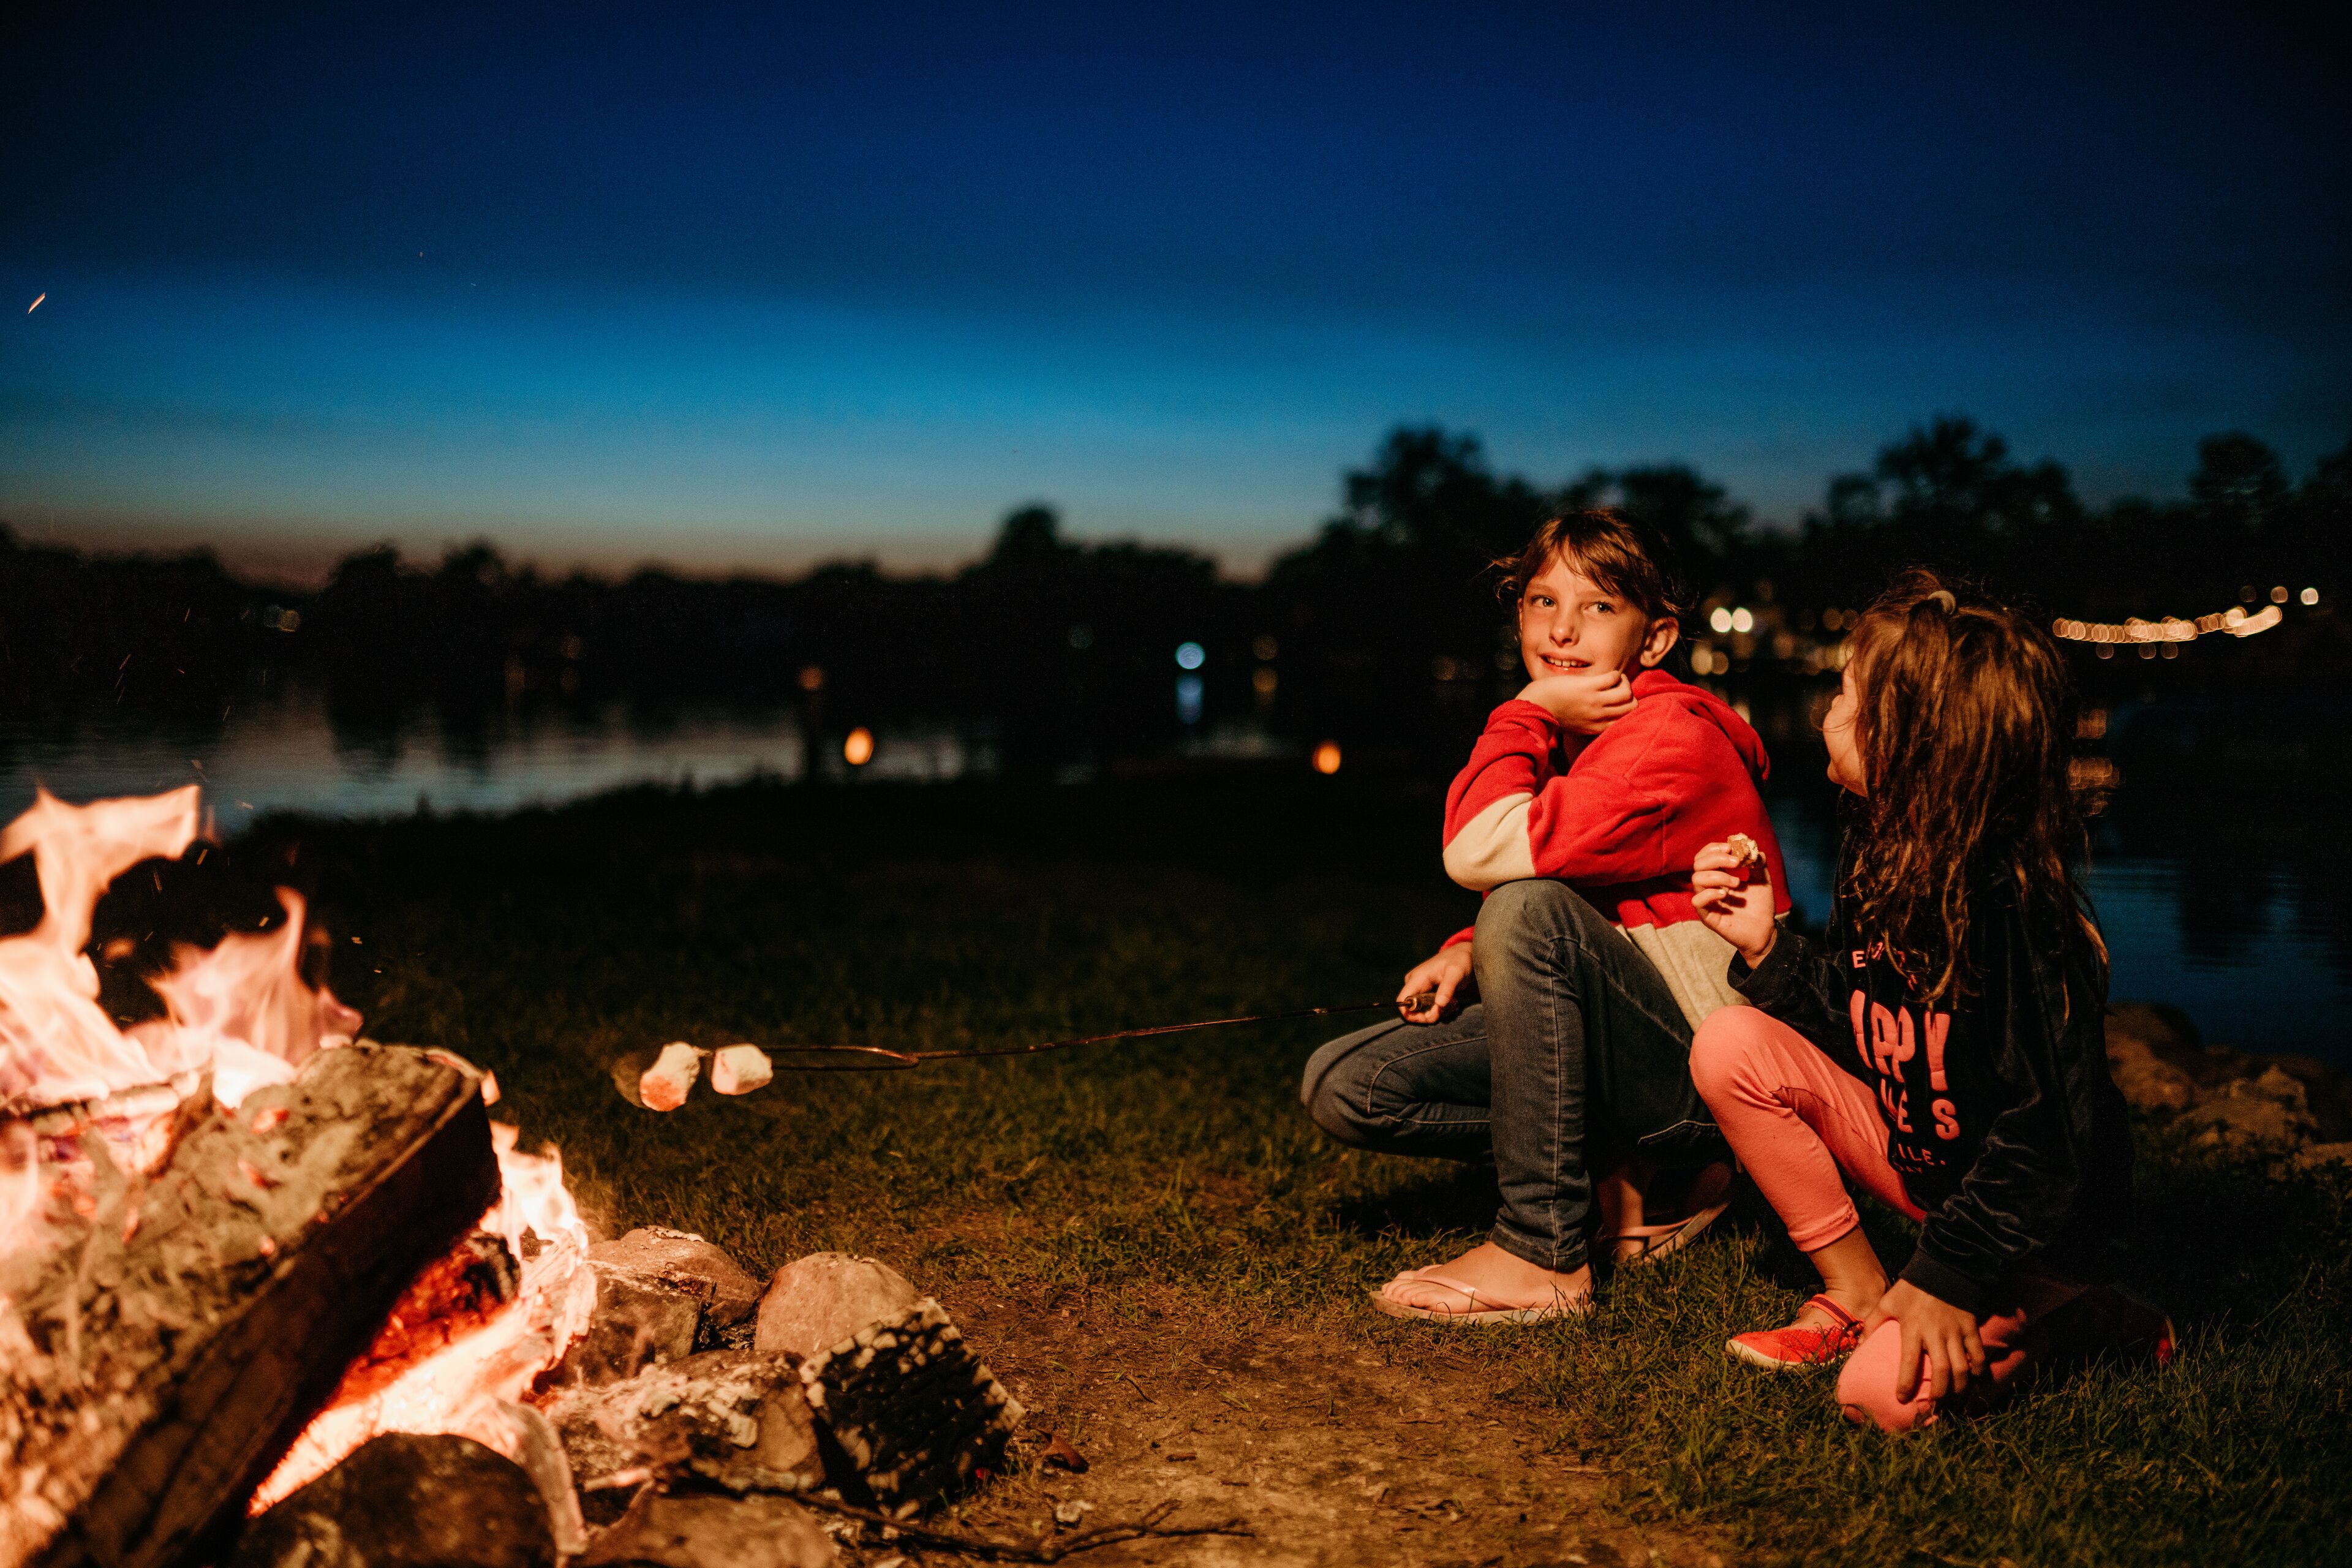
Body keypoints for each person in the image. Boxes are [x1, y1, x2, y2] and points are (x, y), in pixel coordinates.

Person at [1687, 571, 2165, 1431]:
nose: (1828, 709)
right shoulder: (1877, 850)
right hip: (1933, 1172)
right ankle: (1855, 1292)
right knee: (1729, 1044)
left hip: (2036, 1223)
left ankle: (2081, 1309)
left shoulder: (2013, 912)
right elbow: (1873, 1030)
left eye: (1846, 694)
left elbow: (2047, 1138)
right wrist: (1766, 948)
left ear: (1907, 741)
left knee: (1879, 1397)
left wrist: (1950, 1274)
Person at [1300, 509, 1790, 1322]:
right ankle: (1627, 1179)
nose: (1562, 629)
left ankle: (1543, 1249)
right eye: (1542, 601)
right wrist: (1469, 947)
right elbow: (1596, 883)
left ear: (1656, 639)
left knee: (1524, 908)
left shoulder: (1668, 738)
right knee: (1348, 1084)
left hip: (1707, 1085)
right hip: (1626, 1045)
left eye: (1599, 607)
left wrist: (1525, 709)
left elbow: (1477, 851)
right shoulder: (1591, 730)